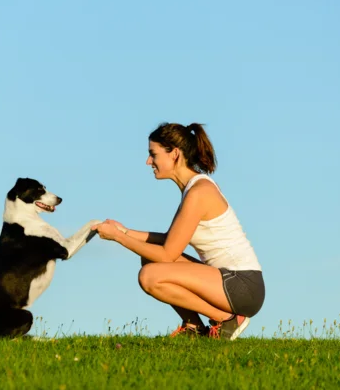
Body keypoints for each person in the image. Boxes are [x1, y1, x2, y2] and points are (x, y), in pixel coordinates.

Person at [91, 122, 265, 340]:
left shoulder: (199, 193)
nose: (148, 161)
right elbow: (169, 240)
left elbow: (167, 254)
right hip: (228, 281)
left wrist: (118, 238)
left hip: (241, 285)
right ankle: (194, 328)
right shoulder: (192, 189)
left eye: (152, 154)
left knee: (149, 276)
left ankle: (226, 320)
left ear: (174, 154)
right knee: (148, 258)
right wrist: (125, 231)